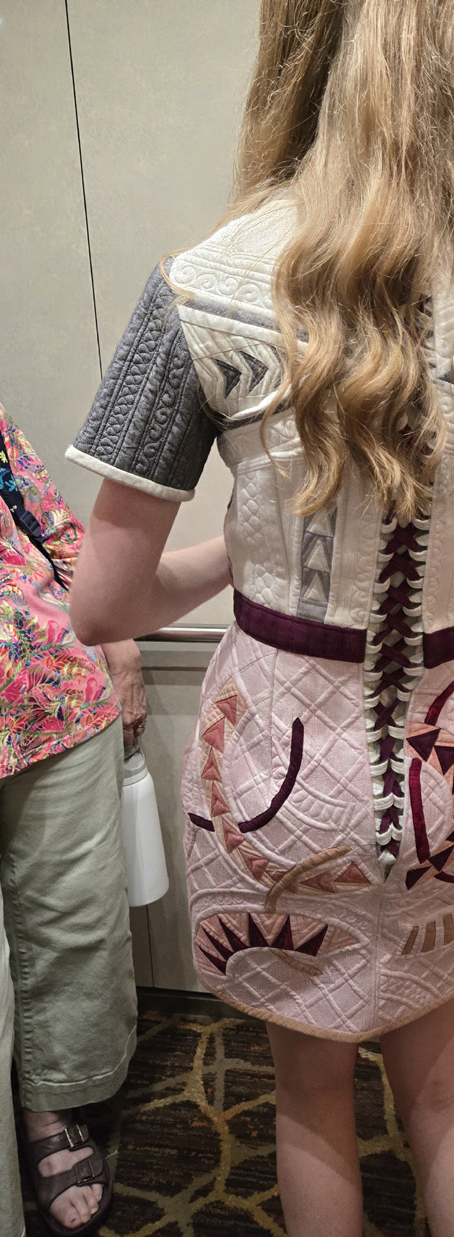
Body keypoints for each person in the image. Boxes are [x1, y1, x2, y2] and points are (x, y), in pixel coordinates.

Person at [66, 0, 454, 1234]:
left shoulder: (200, 289)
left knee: (308, 1100)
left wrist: (238, 555)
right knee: (441, 1090)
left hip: (274, 776)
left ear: (295, 30)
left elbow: (102, 603)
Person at [0, 402, 142, 1237]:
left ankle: (51, 1109)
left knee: (74, 924)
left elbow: (46, 517)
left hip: (51, 691)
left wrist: (119, 643)